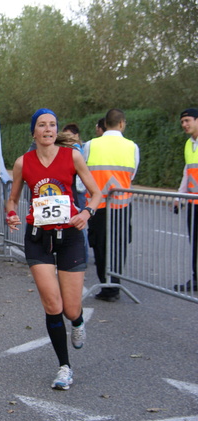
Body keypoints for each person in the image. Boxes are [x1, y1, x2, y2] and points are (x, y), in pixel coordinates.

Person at [6, 108, 101, 391]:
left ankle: (78, 320)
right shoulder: (23, 162)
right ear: (33, 131)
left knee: (70, 309)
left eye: (52, 125)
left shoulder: (72, 156)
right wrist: (11, 214)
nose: (48, 129)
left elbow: (96, 193)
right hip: (38, 238)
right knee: (52, 305)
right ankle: (65, 367)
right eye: (42, 125)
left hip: (70, 235)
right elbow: (12, 200)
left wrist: (86, 213)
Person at [84, 109, 139, 302]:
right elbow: (132, 174)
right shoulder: (132, 146)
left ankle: (105, 284)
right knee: (119, 244)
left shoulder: (91, 145)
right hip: (122, 204)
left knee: (100, 245)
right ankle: (115, 283)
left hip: (97, 204)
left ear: (105, 124)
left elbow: (83, 173)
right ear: (122, 123)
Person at [173, 108, 198, 292]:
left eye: (188, 121)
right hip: (192, 202)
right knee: (194, 243)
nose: (184, 125)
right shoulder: (189, 144)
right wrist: (178, 196)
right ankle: (196, 278)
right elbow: (187, 173)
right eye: (182, 122)